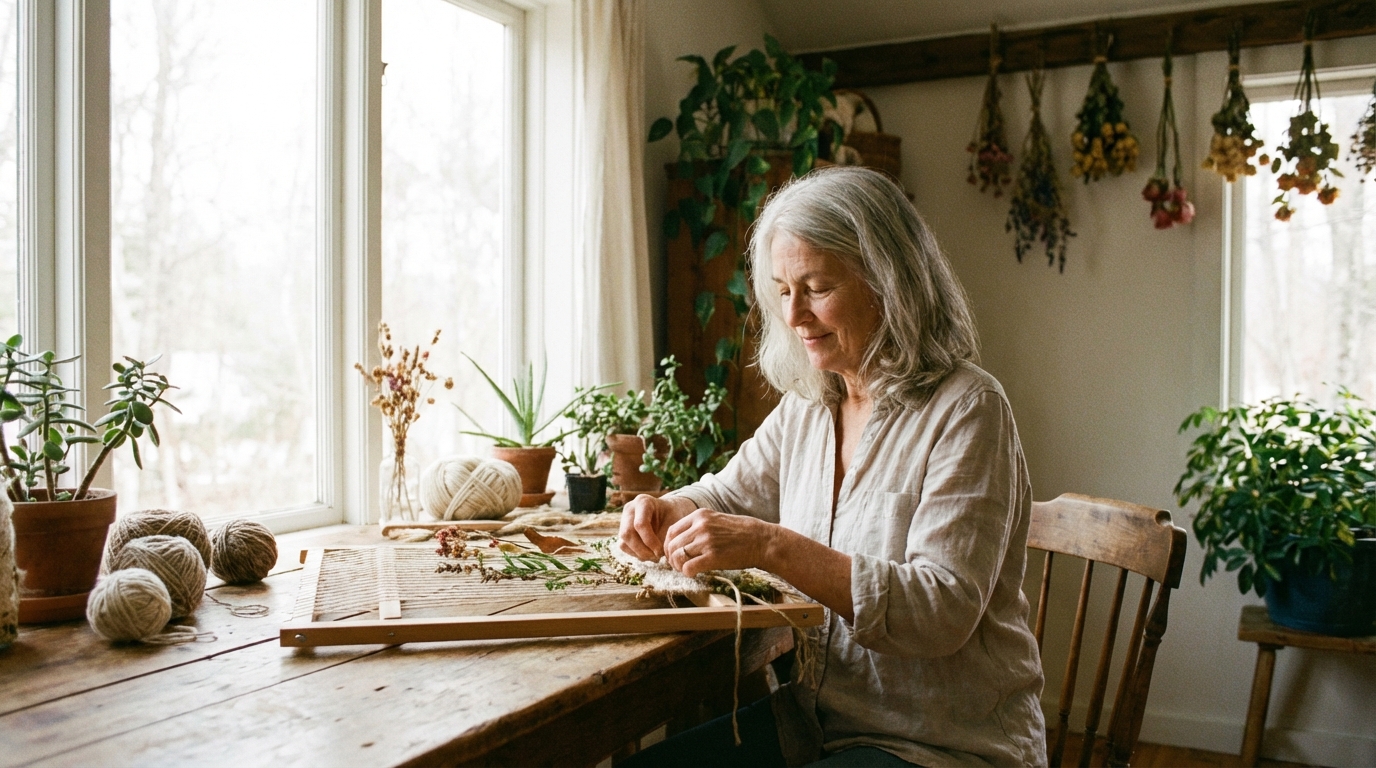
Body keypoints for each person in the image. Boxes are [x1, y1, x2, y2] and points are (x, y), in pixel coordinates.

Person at [619, 166, 1046, 767]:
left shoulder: (969, 409)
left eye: (817, 287)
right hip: (815, 725)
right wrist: (671, 509)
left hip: (943, 747)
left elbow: (940, 610)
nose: (793, 316)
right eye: (782, 291)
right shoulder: (812, 403)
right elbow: (729, 493)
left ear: (889, 282)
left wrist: (771, 546)